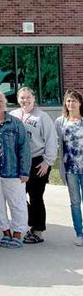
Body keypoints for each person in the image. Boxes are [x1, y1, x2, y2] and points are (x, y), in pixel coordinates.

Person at [0, 90, 31, 249]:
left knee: (17, 202)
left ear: (4, 102)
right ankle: (6, 232)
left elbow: (24, 148)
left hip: (12, 170)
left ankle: (18, 233)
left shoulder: (15, 123)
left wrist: (24, 171)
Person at [9, 87, 57, 244]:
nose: (25, 100)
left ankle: (38, 230)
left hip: (37, 161)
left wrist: (47, 162)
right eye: (22, 98)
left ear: (34, 98)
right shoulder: (13, 115)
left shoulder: (42, 117)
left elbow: (51, 140)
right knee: (19, 197)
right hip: (18, 162)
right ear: (17, 99)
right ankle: (28, 225)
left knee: (36, 197)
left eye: (28, 97)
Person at [55, 89, 83, 246]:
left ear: (80, 103)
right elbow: (58, 143)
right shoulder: (60, 121)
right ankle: (79, 233)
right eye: (68, 101)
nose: (70, 103)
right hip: (70, 168)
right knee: (74, 202)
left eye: (74, 100)